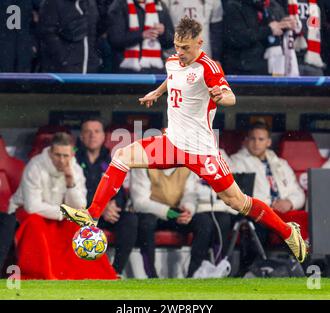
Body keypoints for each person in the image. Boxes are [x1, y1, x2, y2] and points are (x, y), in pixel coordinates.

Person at [61, 16, 307, 264]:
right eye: (177, 46)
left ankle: (288, 232)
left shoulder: (209, 68)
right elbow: (174, 79)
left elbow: (230, 96)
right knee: (122, 156)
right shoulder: (173, 61)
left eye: (186, 47)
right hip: (172, 144)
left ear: (199, 43)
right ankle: (91, 215)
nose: (180, 52)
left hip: (201, 151)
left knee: (236, 201)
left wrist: (221, 97)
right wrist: (157, 92)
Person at [9, 132, 117, 279]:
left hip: (57, 214)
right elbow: (32, 207)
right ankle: (40, 274)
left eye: (65, 156)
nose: (61, 160)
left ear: (71, 155)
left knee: (80, 227)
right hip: (29, 214)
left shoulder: (75, 169)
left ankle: (91, 274)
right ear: (50, 152)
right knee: (35, 225)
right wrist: (64, 213)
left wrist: (70, 181)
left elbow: (80, 205)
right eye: (57, 155)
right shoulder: (35, 166)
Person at [230, 121, 306, 268]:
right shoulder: (236, 162)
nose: (256, 143)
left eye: (261, 139)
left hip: (285, 210)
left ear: (268, 142)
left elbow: (298, 192)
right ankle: (257, 268)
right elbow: (241, 195)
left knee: (304, 221)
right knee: (261, 223)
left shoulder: (280, 163)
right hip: (260, 212)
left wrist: (289, 202)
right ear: (246, 140)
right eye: (253, 139)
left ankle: (303, 266)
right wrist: (270, 204)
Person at [131, 166, 222, 278]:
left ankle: (194, 275)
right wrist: (170, 213)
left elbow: (190, 194)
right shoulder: (143, 163)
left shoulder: (186, 164)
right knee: (146, 223)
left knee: (204, 222)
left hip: (176, 213)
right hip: (152, 213)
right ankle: (151, 275)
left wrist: (188, 210)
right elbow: (140, 202)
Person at [75, 118, 138, 276]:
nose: (92, 135)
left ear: (104, 136)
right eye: (88, 132)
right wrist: (99, 207)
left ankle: (115, 271)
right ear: (81, 136)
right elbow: (75, 192)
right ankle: (84, 272)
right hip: (83, 214)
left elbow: (120, 193)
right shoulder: (72, 159)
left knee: (130, 220)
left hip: (107, 215)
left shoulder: (113, 160)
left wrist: (114, 205)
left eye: (96, 131)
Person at [222, 0, 290, 75]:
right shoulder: (233, 6)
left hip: (267, 67)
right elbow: (238, 38)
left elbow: (274, 28)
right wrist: (269, 30)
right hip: (241, 70)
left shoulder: (271, 5)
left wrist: (284, 25)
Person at [107, 0, 174, 73]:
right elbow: (115, 39)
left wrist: (163, 32)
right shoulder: (119, 5)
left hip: (155, 71)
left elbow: (171, 42)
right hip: (127, 72)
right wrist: (141, 35)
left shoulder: (159, 5)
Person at [38, 0, 100, 73]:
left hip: (89, 68)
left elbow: (95, 31)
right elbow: (47, 34)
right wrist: (64, 60)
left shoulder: (90, 3)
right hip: (63, 71)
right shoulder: (52, 3)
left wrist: (94, 59)